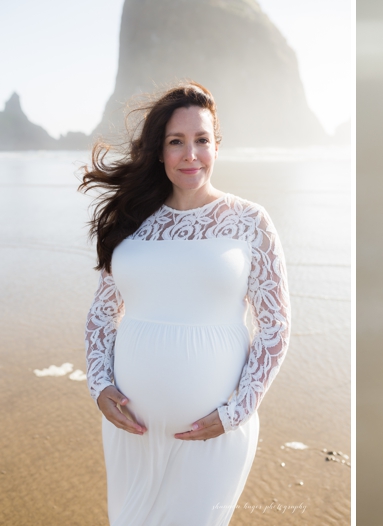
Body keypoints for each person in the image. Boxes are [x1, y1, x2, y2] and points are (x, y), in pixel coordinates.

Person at [79, 82, 290, 524]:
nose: (190, 154)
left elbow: (275, 328)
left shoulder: (250, 221)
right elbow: (102, 313)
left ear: (216, 146)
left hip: (211, 433)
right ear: (159, 151)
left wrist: (236, 412)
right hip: (130, 431)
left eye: (201, 140)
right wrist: (99, 386)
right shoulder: (131, 221)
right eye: (176, 142)